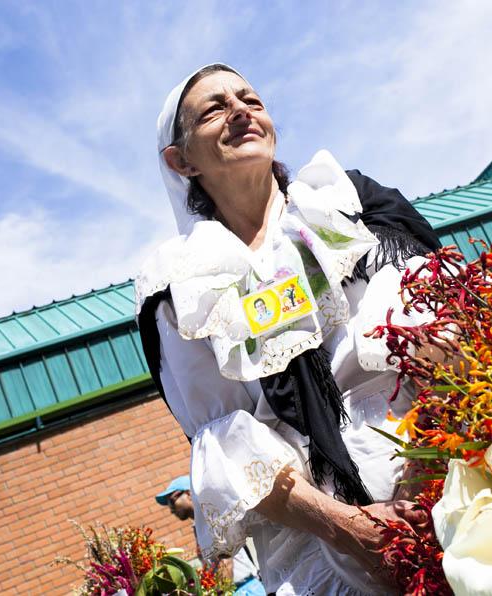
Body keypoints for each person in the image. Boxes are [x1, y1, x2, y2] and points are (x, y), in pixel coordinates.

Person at [135, 64, 441, 595]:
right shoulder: (180, 288)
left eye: (250, 98)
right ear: (180, 161)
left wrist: (427, 473)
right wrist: (352, 529)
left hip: (439, 470)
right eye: (214, 108)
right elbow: (226, 439)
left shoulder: (347, 207)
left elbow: (442, 332)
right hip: (321, 545)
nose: (239, 111)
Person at [156, 476, 265, 595]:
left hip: (243, 590)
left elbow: (226, 563)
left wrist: (220, 593)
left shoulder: (210, 519)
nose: (171, 508)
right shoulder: (199, 526)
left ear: (188, 494)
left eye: (172, 500)